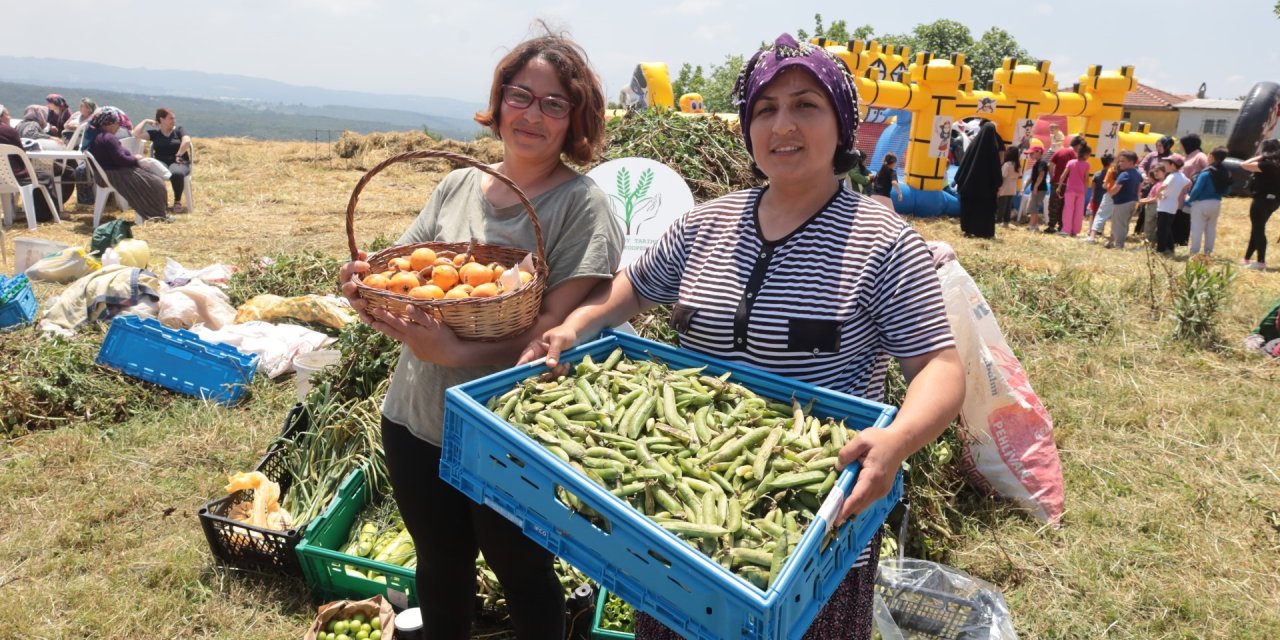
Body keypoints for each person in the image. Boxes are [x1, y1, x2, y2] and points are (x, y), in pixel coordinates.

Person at [518, 33, 964, 640]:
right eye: (766, 109)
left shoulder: (883, 243)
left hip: (814, 522)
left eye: (806, 105)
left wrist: (897, 443)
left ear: (843, 127)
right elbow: (635, 286)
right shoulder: (708, 222)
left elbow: (938, 368)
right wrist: (576, 323)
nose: (784, 124)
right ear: (747, 128)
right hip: (680, 512)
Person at [337, 31, 623, 639]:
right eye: (521, 96)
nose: (533, 115)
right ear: (499, 101)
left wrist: (457, 352)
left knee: (522, 573)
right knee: (440, 564)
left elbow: (552, 330)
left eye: (555, 104)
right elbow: (405, 276)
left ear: (576, 118)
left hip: (508, 430)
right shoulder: (457, 184)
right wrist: (364, 286)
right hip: (416, 415)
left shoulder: (583, 206)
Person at [84, 107, 171, 222]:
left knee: (154, 180)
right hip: (113, 174)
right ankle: (155, 214)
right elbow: (121, 159)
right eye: (117, 123)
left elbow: (118, 157)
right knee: (155, 182)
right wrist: (136, 160)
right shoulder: (108, 138)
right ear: (109, 124)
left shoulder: (97, 136)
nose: (119, 126)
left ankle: (158, 213)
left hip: (106, 173)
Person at [0, 105, 60, 222]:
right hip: (15, 175)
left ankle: (10, 216)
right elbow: (20, 152)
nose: (9, 117)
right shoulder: (8, 131)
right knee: (44, 176)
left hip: (2, 177)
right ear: (1, 117)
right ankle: (46, 216)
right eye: (7, 114)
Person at [133, 108, 193, 212]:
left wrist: (178, 155)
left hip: (179, 161)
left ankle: (177, 201)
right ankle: (158, 202)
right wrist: (146, 121)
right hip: (162, 162)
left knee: (177, 173)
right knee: (148, 172)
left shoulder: (179, 130)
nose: (174, 121)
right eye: (171, 118)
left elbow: (187, 141)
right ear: (162, 120)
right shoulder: (155, 134)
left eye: (174, 118)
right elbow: (136, 133)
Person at [956, 121, 1002, 238]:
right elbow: (995, 169)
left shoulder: (973, 146)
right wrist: (998, 183)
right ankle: (983, 232)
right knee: (984, 210)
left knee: (969, 208)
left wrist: (959, 180)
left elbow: (963, 165)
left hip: (969, 186)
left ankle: (968, 229)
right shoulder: (992, 149)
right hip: (986, 191)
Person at [1242, 138, 1280, 270]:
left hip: (1261, 200)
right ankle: (1246, 258)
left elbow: (1244, 165)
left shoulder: (1266, 165)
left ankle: (1261, 262)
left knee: (1258, 230)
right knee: (1257, 229)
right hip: (1274, 202)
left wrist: (1261, 156)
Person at [1185, 147, 1231, 256]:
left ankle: (1194, 251)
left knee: (1197, 228)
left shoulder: (1206, 173)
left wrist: (1189, 199)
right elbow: (1228, 190)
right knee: (1211, 228)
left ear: (1211, 156)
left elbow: (1197, 189)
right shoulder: (1226, 172)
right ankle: (1208, 252)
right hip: (1216, 203)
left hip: (1201, 203)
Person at [1140, 156, 1188, 256]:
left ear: (1173, 165)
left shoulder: (1171, 176)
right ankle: (1170, 247)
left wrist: (1158, 193)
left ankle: (1160, 250)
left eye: (1167, 163)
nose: (1165, 165)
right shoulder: (1181, 176)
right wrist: (1178, 190)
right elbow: (1190, 183)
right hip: (1173, 205)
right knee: (1167, 228)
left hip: (1165, 205)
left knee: (1162, 229)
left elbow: (1163, 186)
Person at [1045, 135, 1084, 233]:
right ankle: (1062, 226)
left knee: (1054, 205)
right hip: (1069, 185)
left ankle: (1051, 226)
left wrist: (1052, 176)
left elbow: (1050, 164)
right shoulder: (1076, 157)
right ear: (1078, 145)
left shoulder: (1060, 151)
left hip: (1057, 182)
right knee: (1065, 207)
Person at [1175, 133, 1208, 246]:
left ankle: (1182, 242)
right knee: (1178, 218)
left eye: (1182, 144)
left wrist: (1196, 183)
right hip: (1180, 194)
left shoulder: (1200, 156)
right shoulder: (1187, 157)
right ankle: (1176, 241)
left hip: (1190, 195)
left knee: (1185, 219)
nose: (1180, 147)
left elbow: (1208, 170)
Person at [1105, 150, 1142, 249]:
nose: (1120, 163)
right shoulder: (1138, 174)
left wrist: (1109, 191)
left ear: (1131, 162)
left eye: (1123, 161)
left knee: (1119, 224)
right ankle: (1111, 242)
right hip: (1132, 202)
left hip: (1122, 203)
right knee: (1122, 224)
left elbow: (1116, 189)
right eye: (1120, 161)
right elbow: (1139, 187)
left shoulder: (1124, 174)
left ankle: (1118, 245)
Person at [1059, 144, 1092, 237]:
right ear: (1086, 155)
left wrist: (1059, 187)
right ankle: (1075, 230)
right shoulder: (1087, 165)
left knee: (1068, 210)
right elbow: (1086, 179)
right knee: (1078, 211)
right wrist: (1085, 191)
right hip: (1081, 191)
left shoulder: (1071, 162)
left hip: (1070, 190)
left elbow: (1063, 175)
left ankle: (1066, 230)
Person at [1086, 154, 1115, 243]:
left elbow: (1093, 186)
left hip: (1097, 197)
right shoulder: (1112, 173)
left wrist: (1092, 196)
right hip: (1106, 197)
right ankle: (1099, 230)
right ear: (1110, 162)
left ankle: (1091, 230)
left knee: (1094, 214)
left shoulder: (1097, 173)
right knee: (1103, 214)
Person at [1024, 142, 1049, 231]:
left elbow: (1041, 174)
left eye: (1032, 153)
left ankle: (1032, 225)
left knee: (1033, 207)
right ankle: (1035, 225)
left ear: (1038, 152)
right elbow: (1032, 177)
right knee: (1033, 207)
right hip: (1038, 188)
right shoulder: (1037, 163)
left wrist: (1035, 187)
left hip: (1039, 189)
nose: (1030, 155)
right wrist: (1025, 187)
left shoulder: (1042, 163)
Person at [996, 145, 1021, 228]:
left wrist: (998, 187)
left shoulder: (1007, 164)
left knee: (1001, 205)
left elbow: (1003, 176)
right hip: (1013, 187)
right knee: (1008, 205)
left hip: (1005, 186)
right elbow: (1019, 176)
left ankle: (998, 220)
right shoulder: (1017, 165)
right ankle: (1006, 221)